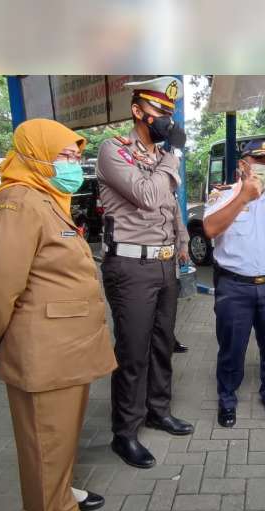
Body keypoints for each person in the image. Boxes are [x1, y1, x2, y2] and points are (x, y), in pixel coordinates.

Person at [0, 119, 117, 511]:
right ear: (34, 155)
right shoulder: (17, 202)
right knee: (44, 438)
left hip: (67, 348)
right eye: (64, 156)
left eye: (76, 156)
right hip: (44, 350)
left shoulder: (47, 197)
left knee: (61, 432)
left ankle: (58, 489)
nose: (73, 164)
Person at [96, 76, 194, 469]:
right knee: (133, 351)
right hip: (130, 265)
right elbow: (149, 195)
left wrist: (183, 241)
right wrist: (171, 158)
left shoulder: (159, 157)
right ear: (138, 111)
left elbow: (169, 207)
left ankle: (158, 409)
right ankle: (125, 432)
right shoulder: (113, 151)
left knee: (160, 344)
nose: (166, 121)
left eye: (170, 115)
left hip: (163, 262)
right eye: (159, 114)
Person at [202, 140, 265, 428]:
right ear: (242, 165)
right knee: (232, 348)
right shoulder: (222, 196)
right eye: (260, 161)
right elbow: (209, 229)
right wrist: (243, 197)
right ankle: (227, 399)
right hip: (233, 287)